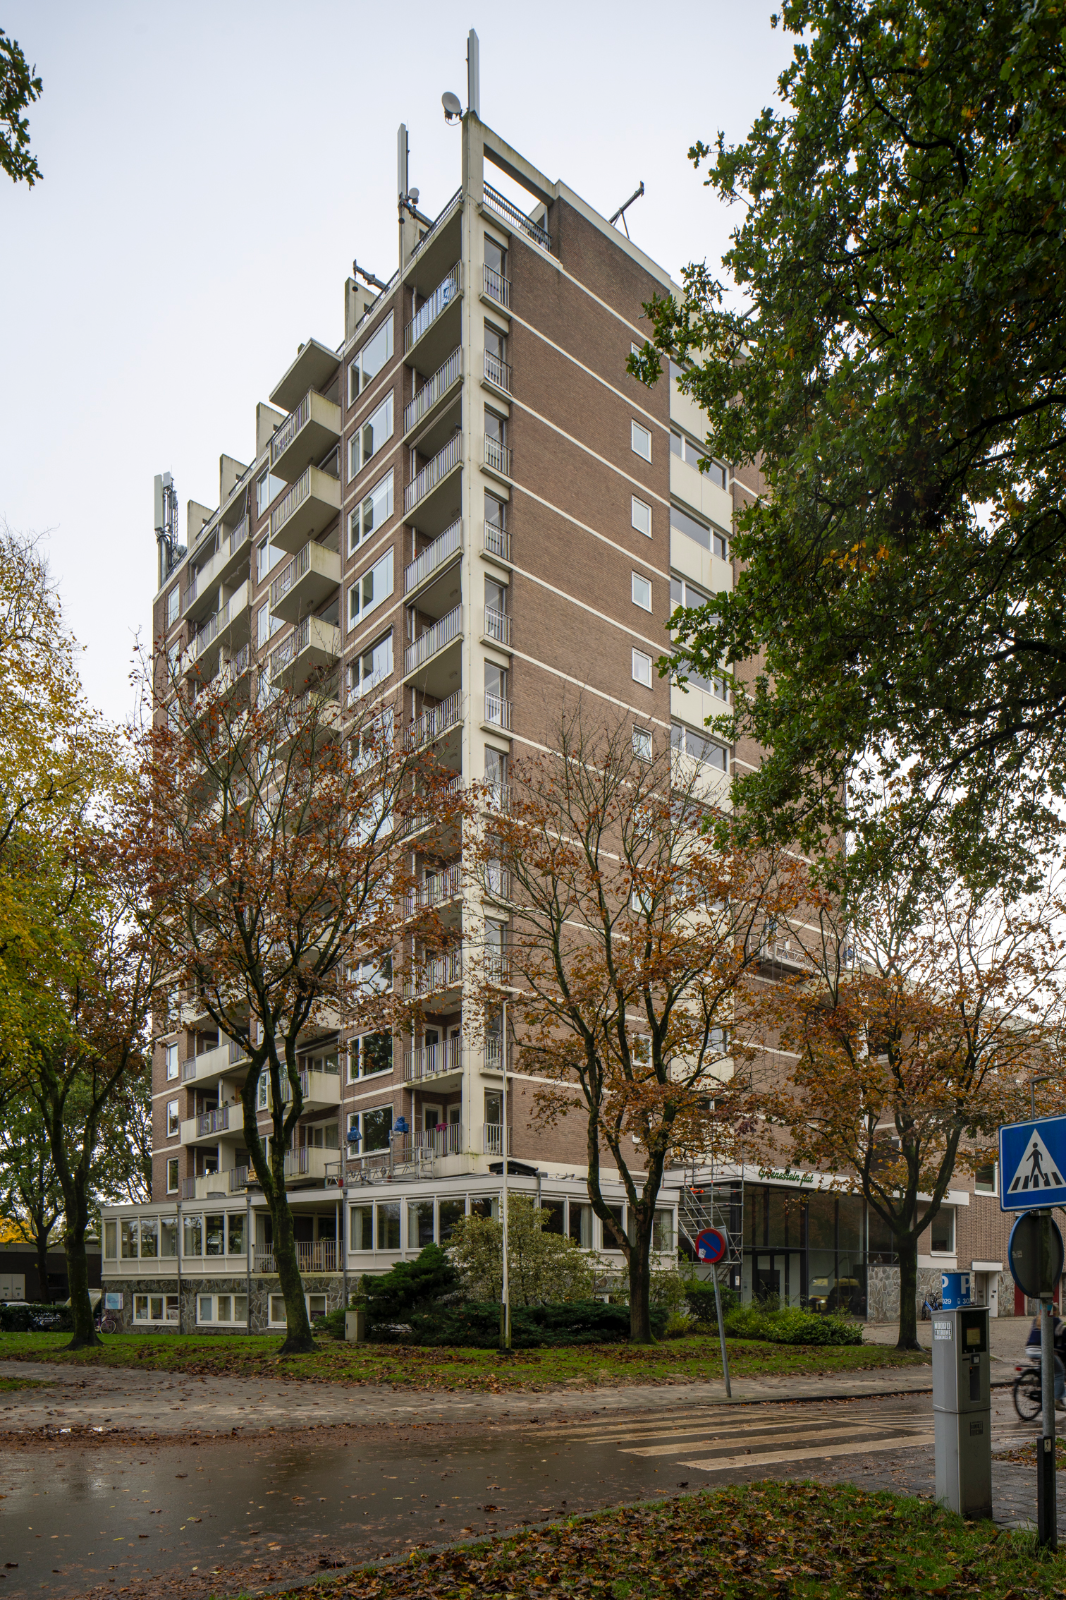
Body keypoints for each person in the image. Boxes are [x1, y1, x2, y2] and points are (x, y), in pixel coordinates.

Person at [1025, 1310, 1066, 1410]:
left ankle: (1043, 1387)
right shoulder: (1055, 1320)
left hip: (1030, 1349)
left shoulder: (1036, 1319)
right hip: (1043, 1351)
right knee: (1060, 1372)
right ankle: (1056, 1400)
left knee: (1045, 1370)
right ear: (1054, 1311)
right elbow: (1064, 1336)